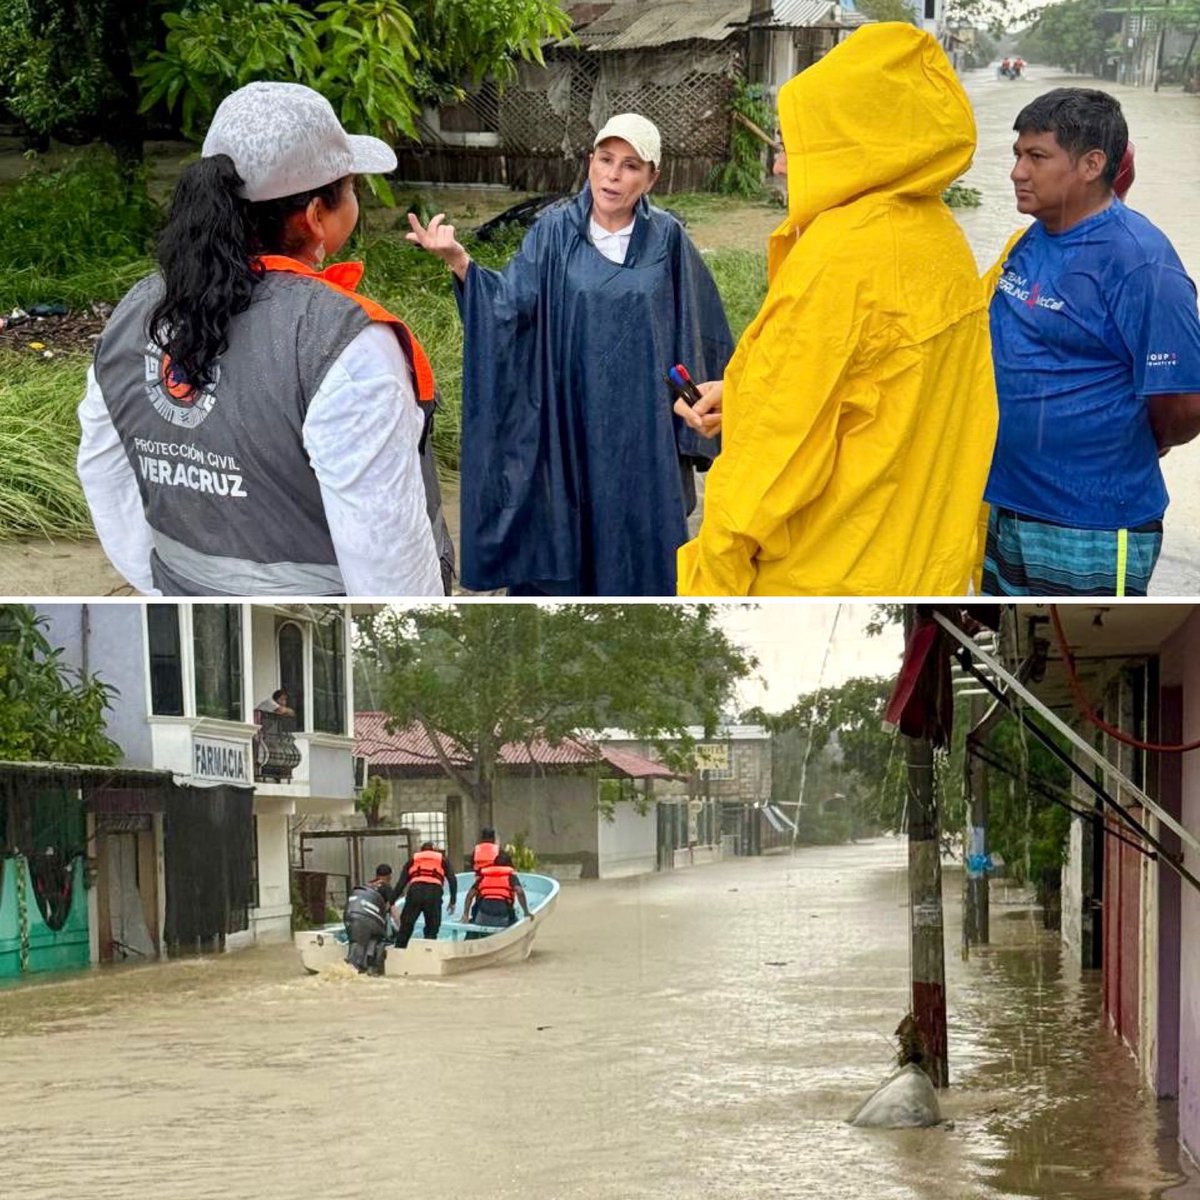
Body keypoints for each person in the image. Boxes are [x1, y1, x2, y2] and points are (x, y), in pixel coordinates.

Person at [76, 80, 451, 597]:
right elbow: (387, 556)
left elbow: (103, 473)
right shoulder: (341, 342)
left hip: (179, 589)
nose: (356, 200)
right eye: (352, 187)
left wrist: (166, 585)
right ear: (317, 215)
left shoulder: (136, 312)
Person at [676, 23, 997, 596]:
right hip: (921, 562)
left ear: (856, 145)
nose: (779, 166)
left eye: (795, 146)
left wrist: (713, 584)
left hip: (824, 574)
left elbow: (766, 468)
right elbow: (870, 396)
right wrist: (746, 392)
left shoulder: (840, 260)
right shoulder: (941, 237)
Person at [406, 113, 734, 596]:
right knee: (565, 540)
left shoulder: (669, 241)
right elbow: (509, 306)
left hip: (641, 435)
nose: (613, 176)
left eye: (629, 166)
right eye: (605, 160)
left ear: (651, 177)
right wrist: (459, 261)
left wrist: (699, 407)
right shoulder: (554, 233)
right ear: (590, 162)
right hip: (566, 422)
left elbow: (699, 331)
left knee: (639, 555)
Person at [981, 89, 1200, 595]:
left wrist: (1131, 444)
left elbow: (1186, 404)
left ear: (1091, 164)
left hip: (1094, 522)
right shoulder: (1031, 239)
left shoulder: (1141, 263)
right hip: (1009, 504)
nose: (1017, 171)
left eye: (1036, 156)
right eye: (1017, 154)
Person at [394, 841, 457, 949]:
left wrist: (391, 901)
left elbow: (401, 884)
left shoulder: (414, 859)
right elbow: (452, 880)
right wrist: (452, 901)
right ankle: (428, 953)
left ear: (421, 850)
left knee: (405, 928)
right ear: (434, 851)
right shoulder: (442, 860)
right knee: (432, 929)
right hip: (434, 894)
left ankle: (399, 954)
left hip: (415, 893)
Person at [343, 864, 396, 975]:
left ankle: (353, 966)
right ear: (388, 877)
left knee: (357, 942)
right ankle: (373, 966)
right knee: (384, 937)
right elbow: (393, 909)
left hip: (351, 915)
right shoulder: (386, 887)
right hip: (370, 921)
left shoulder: (366, 885)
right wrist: (402, 926)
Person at [460, 851, 534, 930]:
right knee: (516, 923)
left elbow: (469, 895)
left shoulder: (484, 876)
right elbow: (519, 891)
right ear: (509, 865)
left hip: (482, 917)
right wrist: (526, 912)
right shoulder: (510, 876)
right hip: (502, 917)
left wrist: (465, 915)